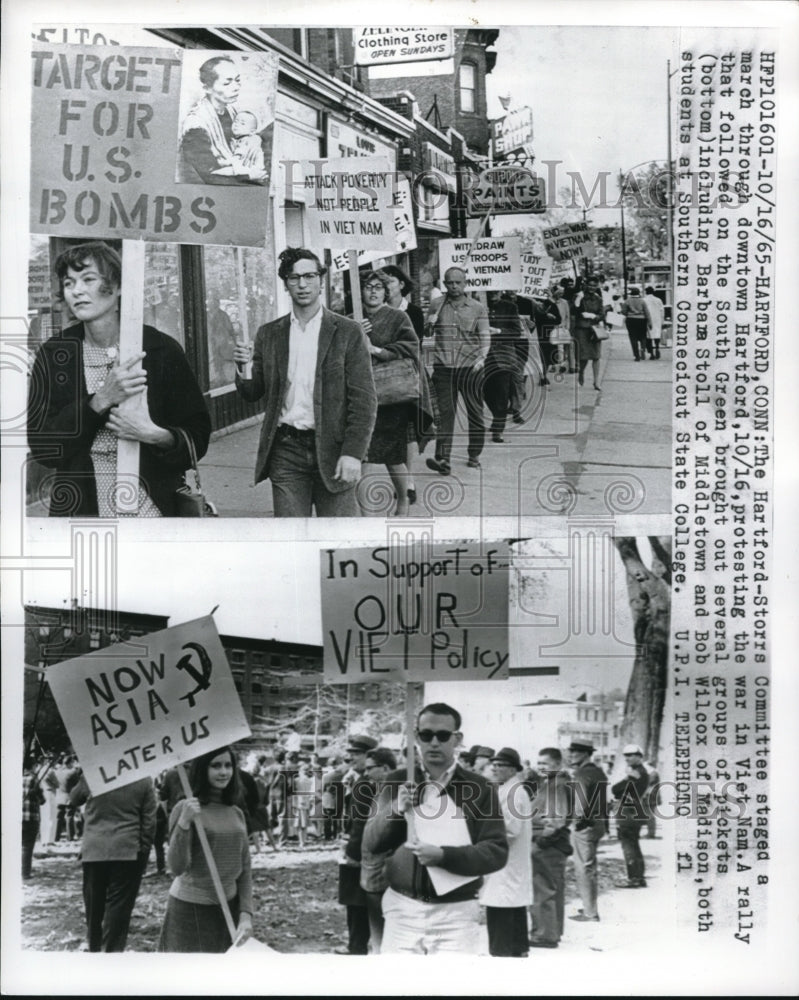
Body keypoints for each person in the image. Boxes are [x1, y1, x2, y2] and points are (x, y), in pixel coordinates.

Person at [27, 241, 212, 517]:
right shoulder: (55, 354)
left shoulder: (161, 349)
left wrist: (156, 435)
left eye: (88, 279)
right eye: (69, 283)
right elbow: (43, 448)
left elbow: (198, 435)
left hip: (152, 509)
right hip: (84, 510)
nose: (77, 291)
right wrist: (100, 400)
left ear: (118, 287)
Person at [234, 247, 377, 517]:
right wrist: (243, 367)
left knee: (338, 540)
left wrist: (354, 453)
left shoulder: (347, 332)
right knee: (292, 541)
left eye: (309, 276)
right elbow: (253, 393)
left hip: (334, 449)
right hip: (286, 451)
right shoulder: (270, 334)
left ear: (321, 281)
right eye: (294, 277)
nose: (302, 284)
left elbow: (364, 401)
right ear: (286, 284)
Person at [362, 702, 508, 954]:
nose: (434, 742)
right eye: (426, 735)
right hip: (402, 908)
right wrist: (396, 808)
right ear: (417, 737)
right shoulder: (397, 780)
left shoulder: (480, 787)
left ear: (457, 739)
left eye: (442, 735)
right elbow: (371, 843)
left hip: (456, 913)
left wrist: (444, 856)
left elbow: (496, 851)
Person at [354, 270, 435, 516]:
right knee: (359, 455)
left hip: (391, 397)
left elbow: (411, 349)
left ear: (386, 292)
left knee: (392, 456)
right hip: (360, 396)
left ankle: (402, 504)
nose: (374, 291)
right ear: (360, 292)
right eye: (368, 287)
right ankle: (364, 515)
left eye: (379, 287)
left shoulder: (398, 318)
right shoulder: (350, 320)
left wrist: (375, 349)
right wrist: (355, 334)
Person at [158, 747, 253, 952]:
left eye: (228, 765)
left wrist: (246, 914)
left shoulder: (236, 812)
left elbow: (245, 868)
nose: (223, 772)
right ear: (202, 770)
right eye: (215, 765)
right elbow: (176, 867)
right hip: (190, 910)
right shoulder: (185, 808)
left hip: (229, 909)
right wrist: (184, 823)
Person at [70, 774, 156, 952]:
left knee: (93, 906)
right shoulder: (143, 778)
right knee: (119, 907)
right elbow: (149, 820)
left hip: (94, 849)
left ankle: (94, 949)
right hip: (127, 849)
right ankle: (111, 952)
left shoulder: (94, 772)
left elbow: (74, 798)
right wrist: (144, 851)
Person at [425, 267, 490, 474]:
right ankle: (442, 459)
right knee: (444, 415)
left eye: (458, 282)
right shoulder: (436, 304)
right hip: (444, 367)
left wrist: (483, 356)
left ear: (465, 283)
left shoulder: (477, 307)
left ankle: (474, 454)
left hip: (471, 367)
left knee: (475, 413)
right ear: (444, 284)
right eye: (449, 283)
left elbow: (485, 334)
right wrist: (430, 323)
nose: (454, 286)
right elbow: (426, 333)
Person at [378, 263, 431, 504]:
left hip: (407, 375)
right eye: (382, 283)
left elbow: (412, 345)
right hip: (379, 377)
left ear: (401, 284)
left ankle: (408, 481)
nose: (386, 287)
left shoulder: (414, 312)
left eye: (390, 282)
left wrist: (382, 349)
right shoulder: (373, 311)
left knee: (407, 429)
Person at [178, 56, 269, 185]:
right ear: (207, 88)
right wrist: (249, 175)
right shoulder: (196, 125)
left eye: (237, 80)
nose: (236, 87)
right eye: (227, 83)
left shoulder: (235, 113)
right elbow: (209, 175)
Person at [480, 747, 533, 957]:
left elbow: (510, 830)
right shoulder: (510, 789)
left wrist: (483, 837)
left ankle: (503, 953)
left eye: (501, 765)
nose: (495, 768)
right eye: (494, 764)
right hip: (509, 861)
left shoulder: (512, 793)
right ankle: (518, 949)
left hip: (505, 858)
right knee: (513, 904)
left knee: (501, 905)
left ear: (513, 769)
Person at [336, 734, 378, 954]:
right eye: (349, 753)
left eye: (355, 754)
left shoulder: (365, 783)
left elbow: (360, 822)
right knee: (357, 900)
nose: (350, 757)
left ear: (368, 756)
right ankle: (356, 943)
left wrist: (352, 852)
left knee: (357, 900)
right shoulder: (358, 779)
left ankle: (357, 946)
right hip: (358, 846)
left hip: (359, 850)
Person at [529, 748, 573, 949]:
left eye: (545, 764)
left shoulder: (557, 786)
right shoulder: (550, 784)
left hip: (548, 845)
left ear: (557, 765)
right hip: (549, 845)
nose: (540, 767)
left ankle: (545, 935)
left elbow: (557, 820)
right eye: (539, 763)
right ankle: (551, 932)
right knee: (551, 889)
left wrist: (540, 843)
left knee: (544, 889)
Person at [359, 747, 398, 953]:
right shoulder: (383, 791)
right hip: (374, 873)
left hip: (381, 875)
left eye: (370, 769)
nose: (365, 774)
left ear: (384, 768)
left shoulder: (392, 793)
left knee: (382, 940)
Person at [566, 739, 608, 923]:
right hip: (598, 823)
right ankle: (590, 908)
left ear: (586, 754)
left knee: (583, 868)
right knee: (590, 867)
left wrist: (574, 822)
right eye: (571, 751)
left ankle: (590, 913)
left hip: (585, 825)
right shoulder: (598, 771)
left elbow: (580, 804)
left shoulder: (582, 773)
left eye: (576, 751)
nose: (572, 754)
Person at [484, 293, 525, 443]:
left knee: (502, 393)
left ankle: (498, 428)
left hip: (504, 356)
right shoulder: (476, 305)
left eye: (496, 290)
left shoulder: (510, 307)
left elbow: (516, 332)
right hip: (482, 356)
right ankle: (497, 417)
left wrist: (499, 331)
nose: (492, 293)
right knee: (486, 392)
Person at [611, 744, 650, 888]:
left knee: (629, 846)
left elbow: (616, 789)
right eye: (626, 755)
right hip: (633, 811)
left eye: (631, 755)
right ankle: (639, 877)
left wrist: (627, 778)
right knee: (634, 845)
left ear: (640, 756)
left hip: (628, 812)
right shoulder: (640, 771)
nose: (627, 758)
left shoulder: (636, 773)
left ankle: (634, 878)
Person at [573, 279, 605, 390]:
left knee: (596, 356)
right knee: (583, 357)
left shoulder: (598, 298)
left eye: (594, 285)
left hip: (594, 330)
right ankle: (581, 374)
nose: (592, 287)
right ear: (585, 285)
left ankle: (596, 382)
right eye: (590, 285)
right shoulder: (579, 296)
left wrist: (594, 316)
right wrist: (579, 298)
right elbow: (574, 310)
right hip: (582, 329)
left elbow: (602, 313)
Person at [22, 757, 45, 879]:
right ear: (32, 766)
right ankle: (25, 873)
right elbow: (42, 800)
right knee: (27, 847)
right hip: (30, 816)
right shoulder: (34, 779)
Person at [619, 285, 649, 361]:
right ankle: (642, 349)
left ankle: (636, 355)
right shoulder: (642, 301)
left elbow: (624, 311)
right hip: (642, 320)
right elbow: (647, 312)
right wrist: (649, 321)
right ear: (638, 293)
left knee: (633, 338)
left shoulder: (627, 301)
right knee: (643, 336)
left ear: (631, 293)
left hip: (631, 320)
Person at [643, 286, 665, 359]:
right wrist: (662, 320)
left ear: (646, 292)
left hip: (648, 319)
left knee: (649, 336)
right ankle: (657, 348)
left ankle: (651, 353)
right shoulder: (658, 300)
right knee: (657, 334)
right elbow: (662, 310)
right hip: (657, 319)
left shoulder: (644, 300)